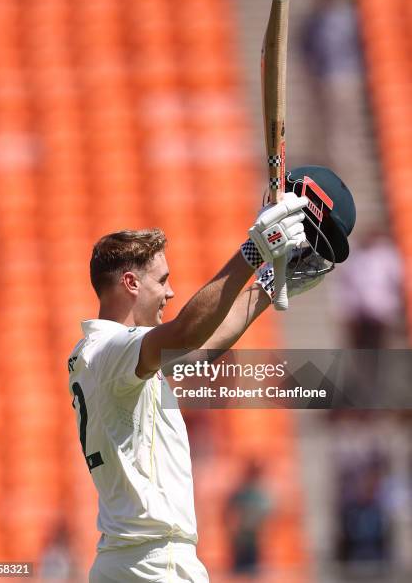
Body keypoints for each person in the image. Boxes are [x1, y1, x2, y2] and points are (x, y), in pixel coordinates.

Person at [68, 167, 355, 581]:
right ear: (130, 283)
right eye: (162, 282)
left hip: (124, 562)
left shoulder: (102, 353)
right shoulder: (114, 348)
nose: (169, 293)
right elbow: (188, 330)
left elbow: (203, 348)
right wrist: (253, 252)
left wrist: (270, 283)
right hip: (156, 564)